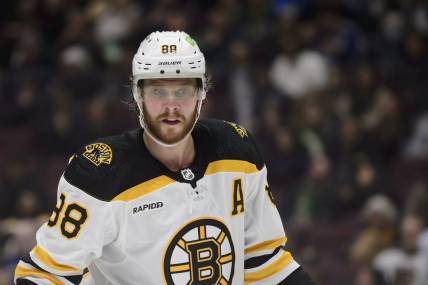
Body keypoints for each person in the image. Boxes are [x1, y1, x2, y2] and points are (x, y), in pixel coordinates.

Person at [14, 31, 314, 285]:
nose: (171, 107)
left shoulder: (237, 152)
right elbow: (43, 275)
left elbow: (264, 263)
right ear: (137, 95)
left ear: (202, 94)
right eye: (158, 91)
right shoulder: (99, 175)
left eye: (183, 91)